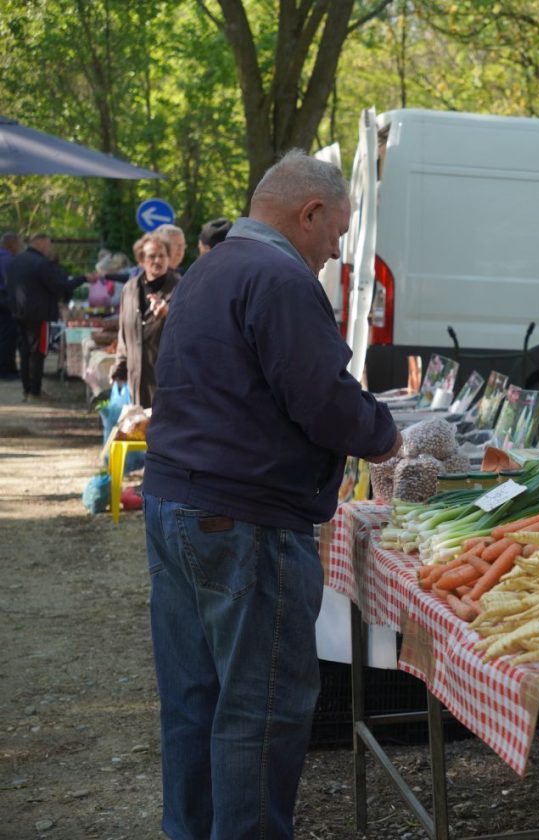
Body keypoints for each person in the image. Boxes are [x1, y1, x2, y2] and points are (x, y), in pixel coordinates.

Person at [142, 149, 402, 839]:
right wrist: (389, 439)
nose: (335, 252)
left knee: (195, 701)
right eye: (336, 235)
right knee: (260, 713)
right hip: (243, 520)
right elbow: (323, 399)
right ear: (308, 213)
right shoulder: (278, 276)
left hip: (178, 504)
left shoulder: (213, 267)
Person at [5, 232, 97, 402]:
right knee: (38, 352)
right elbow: (59, 285)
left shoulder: (16, 261)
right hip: (38, 314)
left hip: (18, 312)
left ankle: (28, 390)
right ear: (39, 243)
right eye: (48, 245)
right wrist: (83, 278)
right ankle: (35, 392)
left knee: (25, 352)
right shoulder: (40, 263)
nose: (49, 248)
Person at [109, 234, 180, 407]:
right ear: (141, 260)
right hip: (136, 379)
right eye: (152, 256)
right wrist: (120, 366)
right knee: (137, 430)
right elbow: (123, 332)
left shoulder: (181, 287)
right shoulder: (130, 289)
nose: (157, 260)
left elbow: (193, 326)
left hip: (169, 380)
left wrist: (169, 313)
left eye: (162, 255)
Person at [0, 231, 22, 380]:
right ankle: (6, 370)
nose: (19, 247)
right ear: (11, 244)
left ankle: (9, 368)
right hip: (5, 300)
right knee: (8, 336)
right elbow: (11, 283)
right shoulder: (7, 260)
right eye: (18, 243)